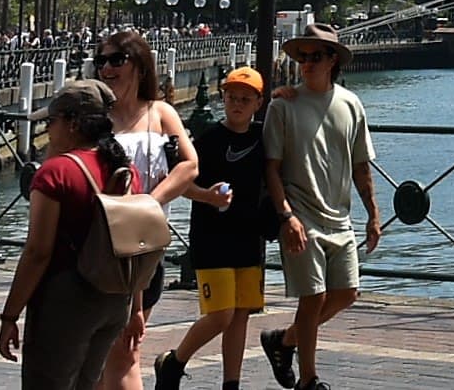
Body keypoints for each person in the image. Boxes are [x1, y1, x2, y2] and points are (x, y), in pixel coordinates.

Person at [0, 81, 142, 390]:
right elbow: (134, 246)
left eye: (51, 122)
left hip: (66, 300)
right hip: (116, 300)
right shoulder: (125, 170)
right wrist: (137, 307)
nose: (48, 131)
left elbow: (38, 252)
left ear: (73, 123)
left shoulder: (56, 173)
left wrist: (9, 315)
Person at [261, 24, 379, 390]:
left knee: (346, 294)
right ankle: (309, 380)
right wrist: (287, 216)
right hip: (300, 216)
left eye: (314, 57)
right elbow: (271, 169)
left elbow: (362, 165)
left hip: (340, 218)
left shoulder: (351, 104)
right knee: (313, 297)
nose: (306, 64)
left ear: (332, 61)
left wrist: (373, 214)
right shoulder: (283, 105)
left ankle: (283, 341)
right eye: (302, 57)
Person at [154, 68, 267, 390]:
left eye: (246, 99)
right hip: (211, 237)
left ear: (258, 102)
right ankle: (174, 361)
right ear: (222, 97)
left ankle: (231, 383)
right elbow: (178, 183)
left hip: (250, 236)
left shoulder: (263, 136)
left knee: (242, 312)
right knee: (221, 314)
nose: (238, 104)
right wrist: (206, 195)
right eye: (232, 97)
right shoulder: (207, 140)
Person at [95, 31, 197, 390]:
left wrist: (149, 202)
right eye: (102, 61)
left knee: (124, 352)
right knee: (104, 356)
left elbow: (189, 165)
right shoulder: (97, 119)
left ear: (139, 65)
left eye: (116, 60)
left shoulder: (160, 113)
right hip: (102, 248)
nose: (107, 68)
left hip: (147, 249)